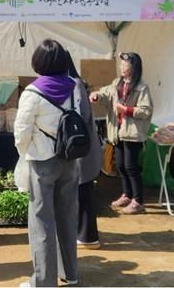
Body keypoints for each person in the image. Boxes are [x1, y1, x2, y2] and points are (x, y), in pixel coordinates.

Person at [14, 39, 79, 287]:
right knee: (67, 217)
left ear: (38, 62)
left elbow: (22, 131)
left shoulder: (32, 92)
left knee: (41, 223)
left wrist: (24, 153)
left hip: (42, 162)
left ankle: (43, 282)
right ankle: (70, 274)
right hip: (69, 160)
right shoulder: (74, 86)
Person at [89, 52, 153, 214]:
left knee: (131, 167)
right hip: (117, 132)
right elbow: (106, 94)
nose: (122, 67)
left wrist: (126, 110)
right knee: (120, 166)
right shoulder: (117, 83)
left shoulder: (141, 87)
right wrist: (96, 95)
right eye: (121, 65)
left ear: (134, 67)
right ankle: (127, 194)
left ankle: (138, 201)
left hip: (132, 133)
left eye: (125, 65)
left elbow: (146, 110)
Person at [65, 52, 102, 250]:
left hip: (81, 148)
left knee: (84, 193)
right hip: (81, 148)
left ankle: (88, 237)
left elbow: (81, 114)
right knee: (82, 192)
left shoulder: (74, 84)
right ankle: (85, 234)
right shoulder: (73, 82)